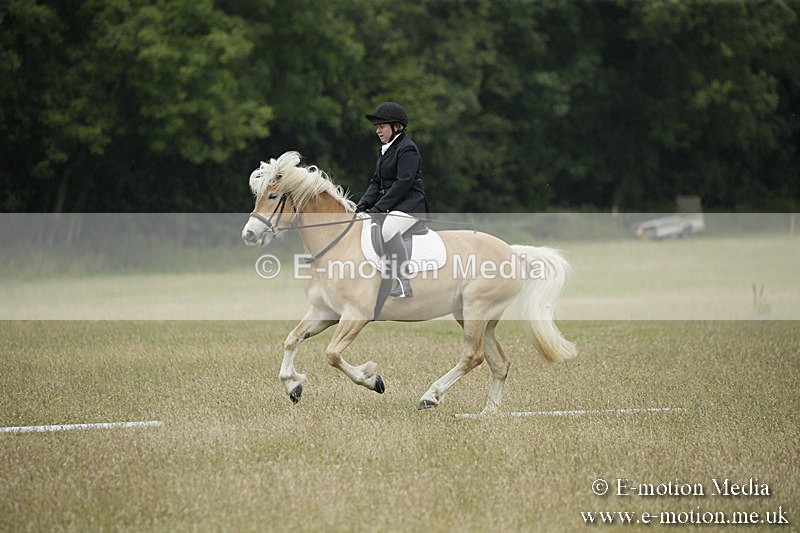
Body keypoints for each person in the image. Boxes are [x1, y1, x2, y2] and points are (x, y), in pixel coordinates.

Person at [355, 102, 427, 298]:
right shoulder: (385, 149)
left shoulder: (407, 149)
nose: (377, 131)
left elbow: (403, 183)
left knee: (388, 230)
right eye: (377, 127)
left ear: (396, 127)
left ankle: (404, 282)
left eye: (382, 126)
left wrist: (379, 207)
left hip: (410, 206)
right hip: (393, 206)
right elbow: (376, 181)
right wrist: (363, 204)